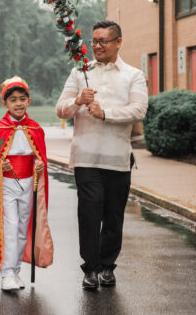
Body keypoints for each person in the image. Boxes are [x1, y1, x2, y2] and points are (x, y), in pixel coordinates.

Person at [55, 20, 147, 291]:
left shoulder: (133, 75)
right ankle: (90, 268)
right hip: (85, 158)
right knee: (89, 213)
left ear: (118, 42)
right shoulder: (79, 73)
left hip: (118, 158)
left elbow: (139, 110)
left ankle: (108, 266)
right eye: (94, 41)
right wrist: (78, 102)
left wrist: (105, 114)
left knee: (113, 215)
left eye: (103, 41)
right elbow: (60, 109)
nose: (97, 46)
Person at [0, 76, 53, 292]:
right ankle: (6, 274)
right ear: (5, 103)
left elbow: (39, 156)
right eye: (13, 100)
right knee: (10, 227)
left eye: (22, 99)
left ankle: (15, 271)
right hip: (7, 185)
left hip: (29, 184)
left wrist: (39, 165)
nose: (18, 103)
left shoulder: (35, 128)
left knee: (23, 227)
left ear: (29, 101)